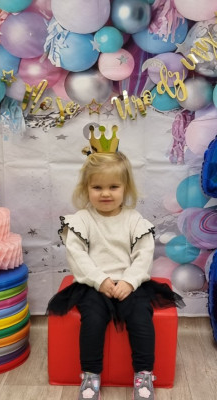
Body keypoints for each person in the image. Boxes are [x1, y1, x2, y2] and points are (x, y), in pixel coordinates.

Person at [47, 151, 183, 400]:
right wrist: (99, 280)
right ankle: (90, 375)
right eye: (97, 187)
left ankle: (144, 374)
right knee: (93, 319)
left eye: (113, 187)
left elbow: (144, 255)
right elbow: (77, 256)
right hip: (93, 284)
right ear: (86, 188)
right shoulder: (81, 220)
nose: (105, 193)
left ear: (125, 188)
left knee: (141, 316)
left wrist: (130, 281)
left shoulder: (134, 220)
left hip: (129, 284)